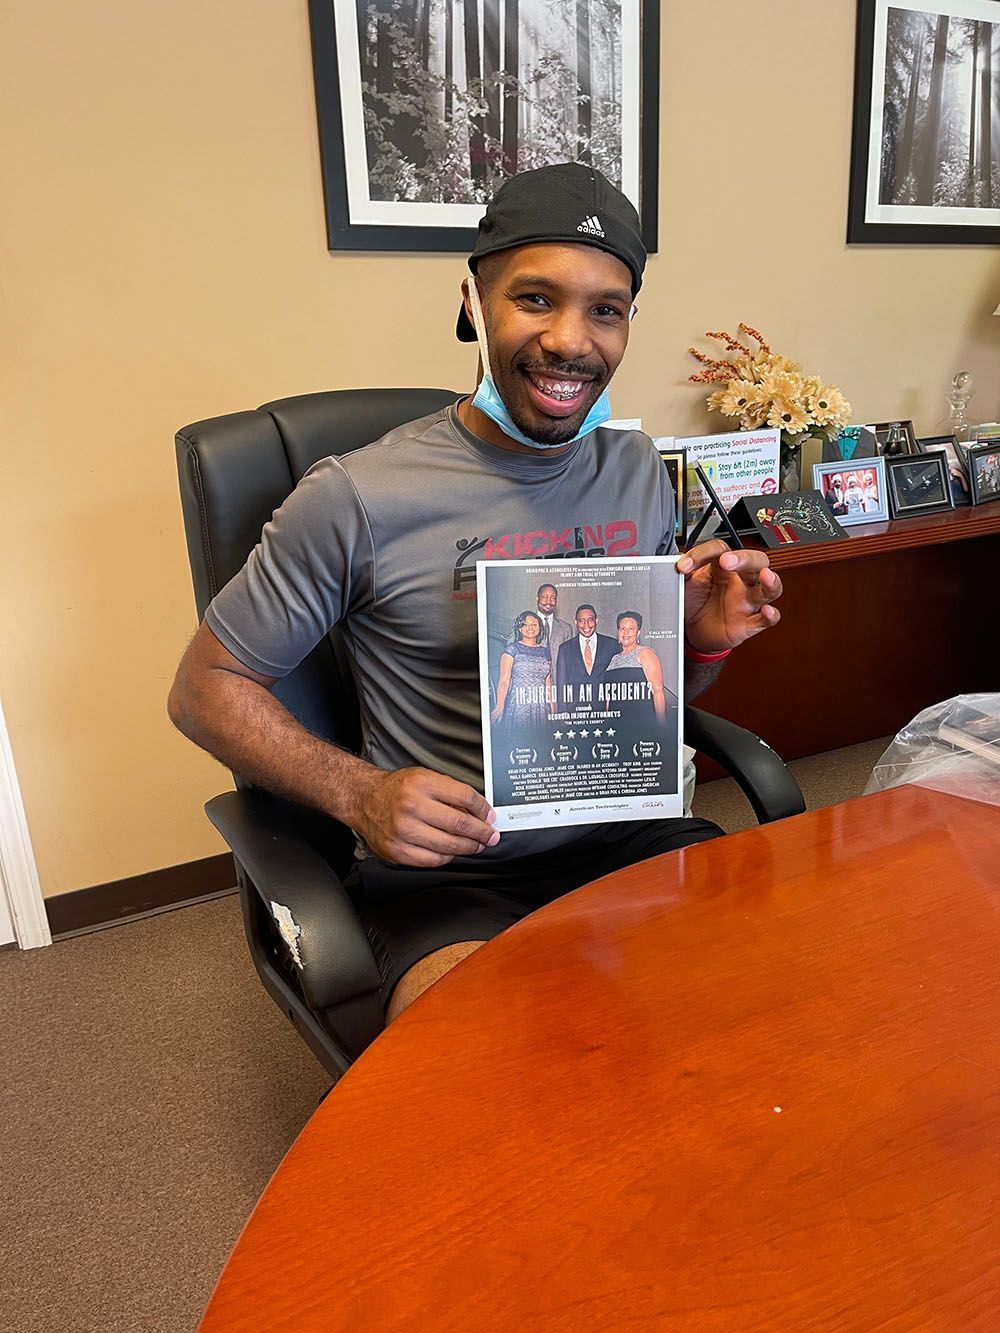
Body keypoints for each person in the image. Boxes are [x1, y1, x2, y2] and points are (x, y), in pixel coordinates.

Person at [168, 163, 783, 1022]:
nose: (572, 340)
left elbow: (652, 697)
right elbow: (203, 688)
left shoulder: (636, 472)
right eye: (536, 299)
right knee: (497, 1100)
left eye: (605, 309)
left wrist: (702, 641)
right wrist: (360, 794)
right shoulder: (358, 496)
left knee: (776, 1021)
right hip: (452, 877)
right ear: (472, 300)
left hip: (633, 837)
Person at [604, 611, 668, 722]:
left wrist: (661, 725)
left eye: (631, 629)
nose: (626, 632)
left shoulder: (645, 653)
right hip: (616, 724)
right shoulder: (614, 658)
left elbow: (657, 691)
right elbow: (609, 696)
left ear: (638, 632)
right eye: (622, 628)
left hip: (641, 720)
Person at [491, 611, 551, 729]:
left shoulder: (546, 652)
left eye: (534, 624)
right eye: (525, 624)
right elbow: (504, 681)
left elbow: (548, 683)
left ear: (540, 627)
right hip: (519, 705)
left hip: (542, 707)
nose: (530, 628)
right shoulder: (512, 649)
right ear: (520, 628)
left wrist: (554, 713)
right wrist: (499, 706)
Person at [553, 604, 619, 707]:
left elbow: (617, 681)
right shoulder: (565, 649)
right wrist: (563, 713)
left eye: (590, 619)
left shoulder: (612, 645)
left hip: (604, 712)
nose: (586, 625)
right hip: (575, 711)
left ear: (596, 620)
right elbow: (562, 684)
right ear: (576, 622)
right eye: (581, 620)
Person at [516, 582, 573, 654]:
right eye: (544, 597)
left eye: (553, 598)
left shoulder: (566, 629)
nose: (548, 601)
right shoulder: (523, 624)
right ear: (537, 598)